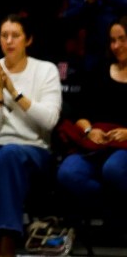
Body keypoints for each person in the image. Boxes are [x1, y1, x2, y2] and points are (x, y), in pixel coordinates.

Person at [0, 15, 61, 257]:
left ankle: (7, 237)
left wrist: (15, 93)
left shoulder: (46, 70)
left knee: (9, 153)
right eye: (4, 36)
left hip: (32, 147)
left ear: (28, 40)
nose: (9, 41)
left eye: (15, 35)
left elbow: (49, 121)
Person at [55, 18, 127, 221]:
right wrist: (89, 131)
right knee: (68, 172)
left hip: (124, 148)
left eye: (122, 39)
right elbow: (80, 114)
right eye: (112, 40)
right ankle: (114, 214)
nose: (116, 46)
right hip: (97, 145)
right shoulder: (99, 71)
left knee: (113, 169)